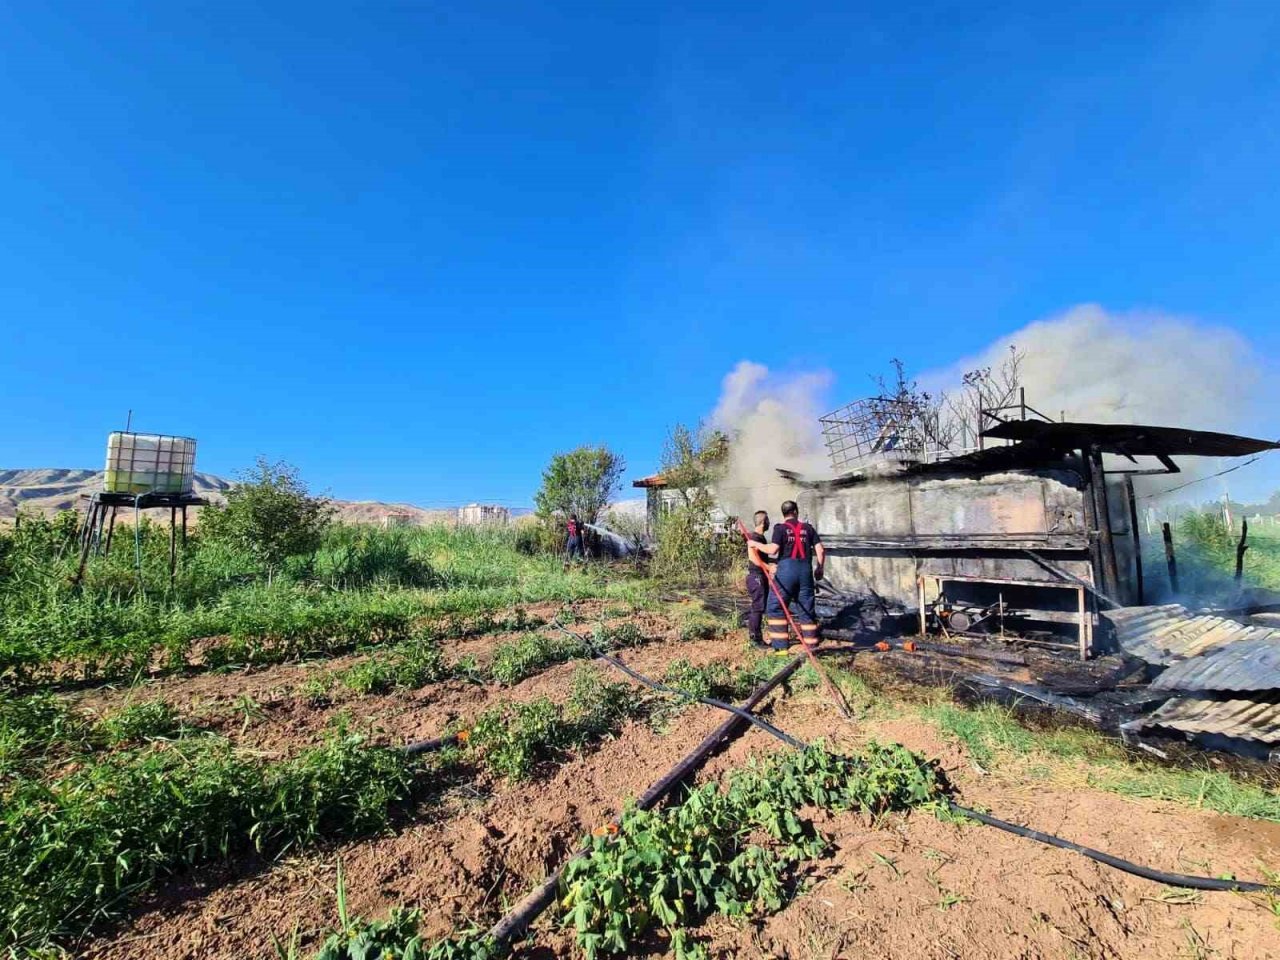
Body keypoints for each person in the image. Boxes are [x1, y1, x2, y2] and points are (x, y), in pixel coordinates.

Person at [755, 500, 825, 651]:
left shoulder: (780, 529)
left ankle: (780, 648)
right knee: (806, 607)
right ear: (796, 511)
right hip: (805, 572)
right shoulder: (808, 528)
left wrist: (755, 545)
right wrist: (819, 569)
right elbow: (820, 550)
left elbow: (773, 550)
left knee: (775, 607)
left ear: (784, 513)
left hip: (786, 572)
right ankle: (811, 646)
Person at [744, 510, 773, 648]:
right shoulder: (755, 538)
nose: (769, 523)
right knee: (758, 608)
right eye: (767, 520)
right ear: (763, 522)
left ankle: (758, 637)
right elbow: (753, 559)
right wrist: (769, 568)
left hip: (760, 577)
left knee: (760, 607)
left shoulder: (760, 538)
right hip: (756, 577)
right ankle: (755, 639)